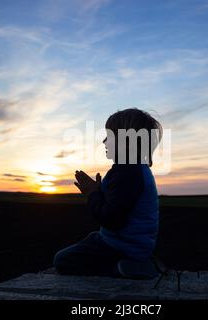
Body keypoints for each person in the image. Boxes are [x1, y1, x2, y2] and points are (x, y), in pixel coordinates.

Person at [53, 108, 163, 279]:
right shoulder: (133, 170)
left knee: (63, 260)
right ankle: (134, 261)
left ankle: (124, 267)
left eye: (110, 136)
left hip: (123, 246)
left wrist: (92, 195)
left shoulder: (127, 173)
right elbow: (120, 205)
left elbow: (112, 219)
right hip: (134, 244)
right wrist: (99, 192)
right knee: (91, 238)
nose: (104, 141)